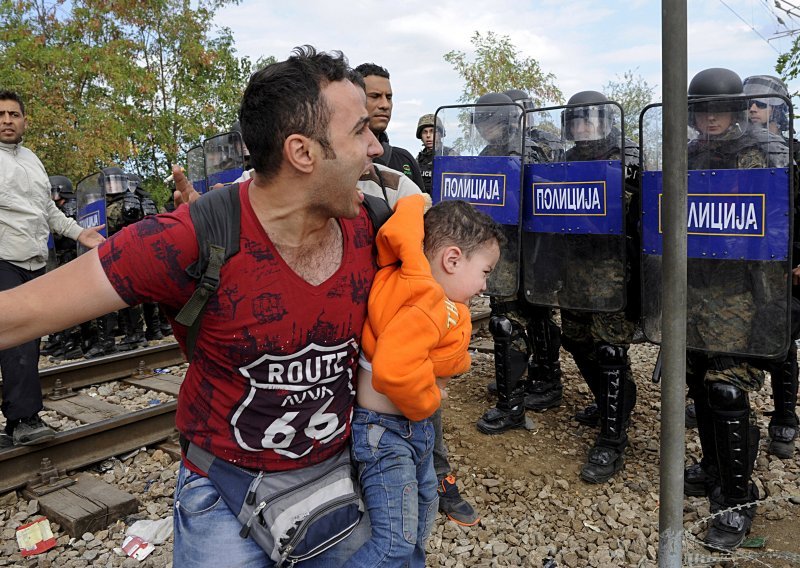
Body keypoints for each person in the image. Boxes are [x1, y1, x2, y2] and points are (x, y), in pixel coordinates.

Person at [0, 47, 383, 566]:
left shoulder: (371, 227)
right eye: (359, 131)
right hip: (223, 496)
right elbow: (17, 315)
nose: (376, 147)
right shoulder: (189, 239)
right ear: (302, 152)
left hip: (339, 484)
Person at [348, 195, 502, 566]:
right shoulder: (423, 303)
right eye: (484, 272)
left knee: (423, 507)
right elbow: (393, 371)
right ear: (452, 260)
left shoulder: (424, 290)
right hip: (387, 433)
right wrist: (431, 399)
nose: (484, 286)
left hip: (406, 429)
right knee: (395, 540)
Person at [681, 67, 790, 551]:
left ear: (738, 109)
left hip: (748, 293)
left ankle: (737, 500)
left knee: (728, 390)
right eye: (703, 110)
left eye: (719, 109)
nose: (711, 118)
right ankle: (712, 467)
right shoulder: (690, 154)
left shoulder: (766, 153)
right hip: (698, 289)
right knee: (698, 380)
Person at [0, 90, 105, 448]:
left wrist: (80, 233)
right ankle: (23, 420)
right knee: (19, 340)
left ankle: (18, 416)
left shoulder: (31, 160)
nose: (7, 120)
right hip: (3, 258)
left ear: (25, 121)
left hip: (33, 260)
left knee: (27, 341)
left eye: (14, 114)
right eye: (1, 114)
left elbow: (48, 212)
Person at [554, 91, 641, 485]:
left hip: (613, 271)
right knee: (574, 338)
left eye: (588, 119)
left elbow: (635, 210)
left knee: (609, 349)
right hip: (574, 269)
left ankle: (612, 436)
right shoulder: (566, 160)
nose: (582, 127)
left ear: (606, 121)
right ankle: (614, 402)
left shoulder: (628, 156)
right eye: (575, 121)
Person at [471, 93, 564, 435]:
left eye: (491, 120)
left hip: (534, 250)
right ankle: (524, 387)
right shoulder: (487, 153)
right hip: (505, 253)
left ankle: (533, 390)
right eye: (481, 121)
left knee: (524, 317)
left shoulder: (530, 146)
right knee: (509, 320)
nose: (485, 128)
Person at [354, 63, 425, 191]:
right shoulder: (335, 158)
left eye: (389, 97)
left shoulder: (404, 160)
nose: (385, 105)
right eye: (375, 96)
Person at [415, 113, 453, 194]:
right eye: (425, 132)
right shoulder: (418, 159)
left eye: (432, 131)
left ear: (440, 134)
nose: (428, 135)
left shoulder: (450, 156)